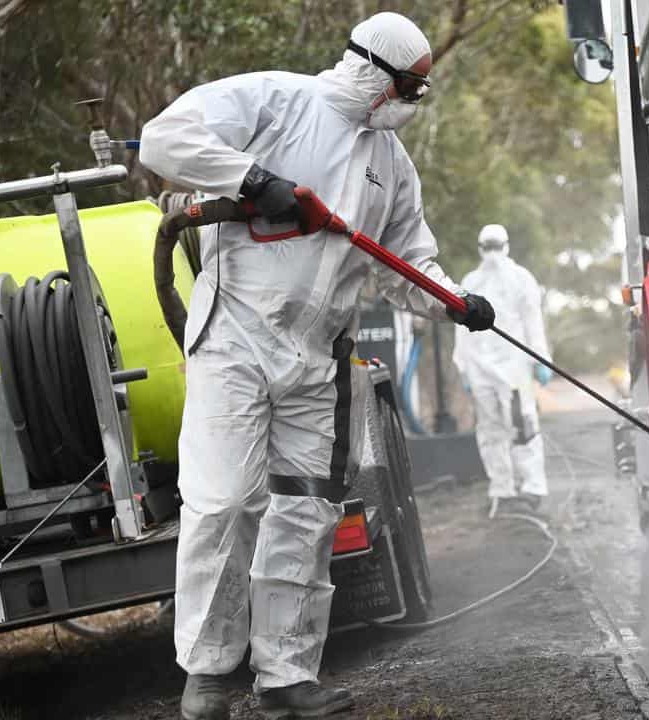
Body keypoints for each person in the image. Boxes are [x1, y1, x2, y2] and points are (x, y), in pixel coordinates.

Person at [138, 13, 494, 720]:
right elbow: (162, 139)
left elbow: (406, 264)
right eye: (410, 89)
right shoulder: (274, 100)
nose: (413, 104)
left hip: (317, 359)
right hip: (235, 341)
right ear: (373, 72)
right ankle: (208, 677)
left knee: (305, 514)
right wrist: (252, 178)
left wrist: (455, 300)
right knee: (226, 503)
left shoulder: (390, 165)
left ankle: (287, 678)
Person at [452, 224, 552, 517]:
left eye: (497, 245)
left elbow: (533, 321)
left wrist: (540, 359)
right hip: (480, 368)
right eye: (488, 246)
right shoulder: (471, 281)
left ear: (507, 246)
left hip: (514, 366)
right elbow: (461, 329)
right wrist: (463, 368)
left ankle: (533, 488)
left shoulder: (522, 279)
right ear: (480, 249)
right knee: (490, 431)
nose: (493, 252)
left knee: (523, 428)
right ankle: (502, 491)